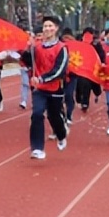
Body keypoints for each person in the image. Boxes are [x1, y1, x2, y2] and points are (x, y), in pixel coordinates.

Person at [28, 16, 69, 160]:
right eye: (45, 26)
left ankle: (61, 134)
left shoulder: (62, 48)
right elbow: (28, 61)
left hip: (55, 88)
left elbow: (60, 70)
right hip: (39, 88)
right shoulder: (37, 47)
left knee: (54, 116)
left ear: (56, 28)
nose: (47, 29)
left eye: (50, 26)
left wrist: (43, 78)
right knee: (37, 114)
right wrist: (28, 49)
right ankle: (37, 148)